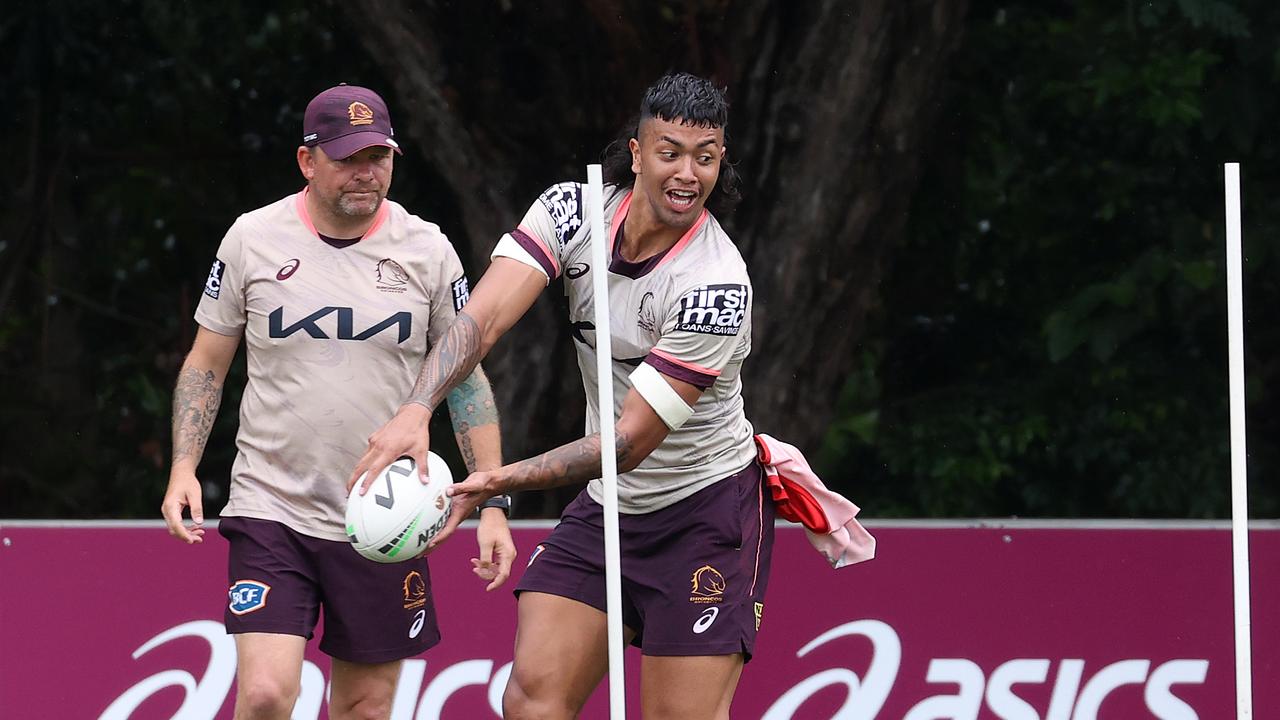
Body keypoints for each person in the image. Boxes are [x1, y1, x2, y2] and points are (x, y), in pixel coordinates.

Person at [349, 73, 769, 720]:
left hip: (705, 514)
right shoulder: (575, 211)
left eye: (705, 157)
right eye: (670, 152)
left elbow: (627, 443)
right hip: (608, 508)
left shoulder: (715, 285)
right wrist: (415, 410)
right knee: (532, 701)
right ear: (635, 153)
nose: (687, 173)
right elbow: (481, 322)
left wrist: (494, 481)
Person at [160, 84, 516, 720]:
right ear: (307, 161)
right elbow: (206, 364)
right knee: (267, 694)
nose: (366, 172)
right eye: (349, 157)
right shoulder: (251, 239)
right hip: (272, 505)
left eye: (378, 156)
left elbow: (467, 379)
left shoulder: (427, 249)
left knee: (365, 706)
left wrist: (490, 501)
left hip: (386, 516)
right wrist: (184, 466)